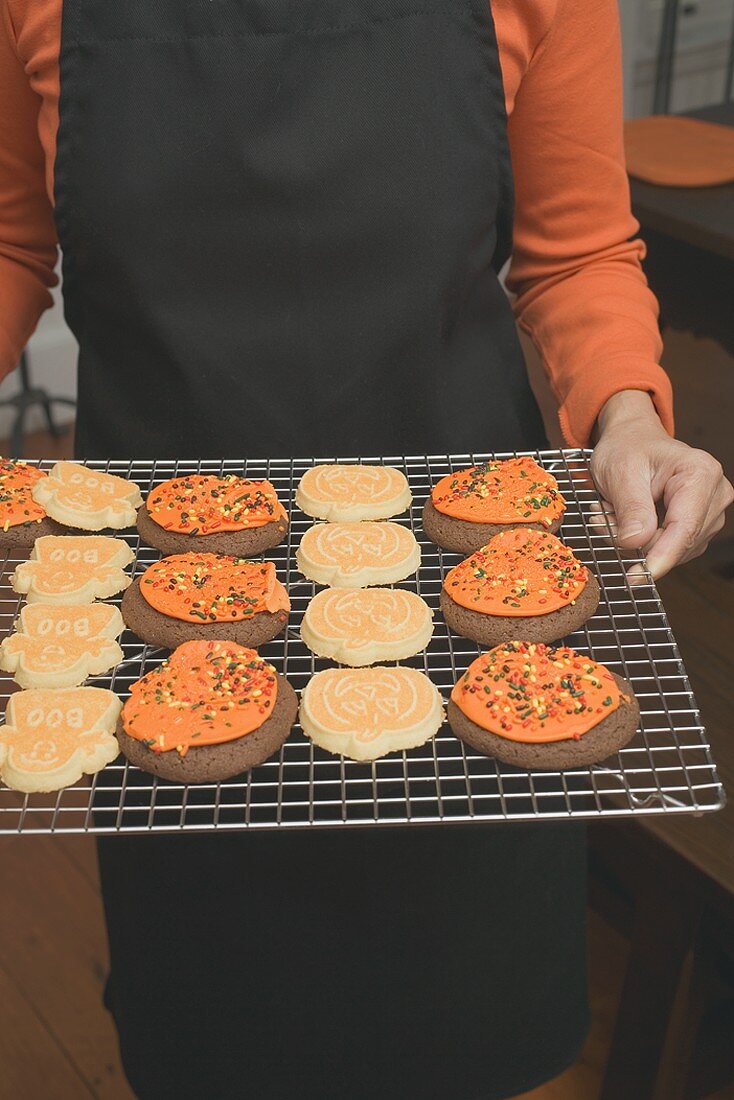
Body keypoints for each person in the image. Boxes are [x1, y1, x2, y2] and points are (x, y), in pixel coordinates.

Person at [1, 1, 731, 1097]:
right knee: (216, 1038)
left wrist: (628, 413)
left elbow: (574, 248)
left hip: (465, 596)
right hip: (164, 604)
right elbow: (14, 236)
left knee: (463, 1027)